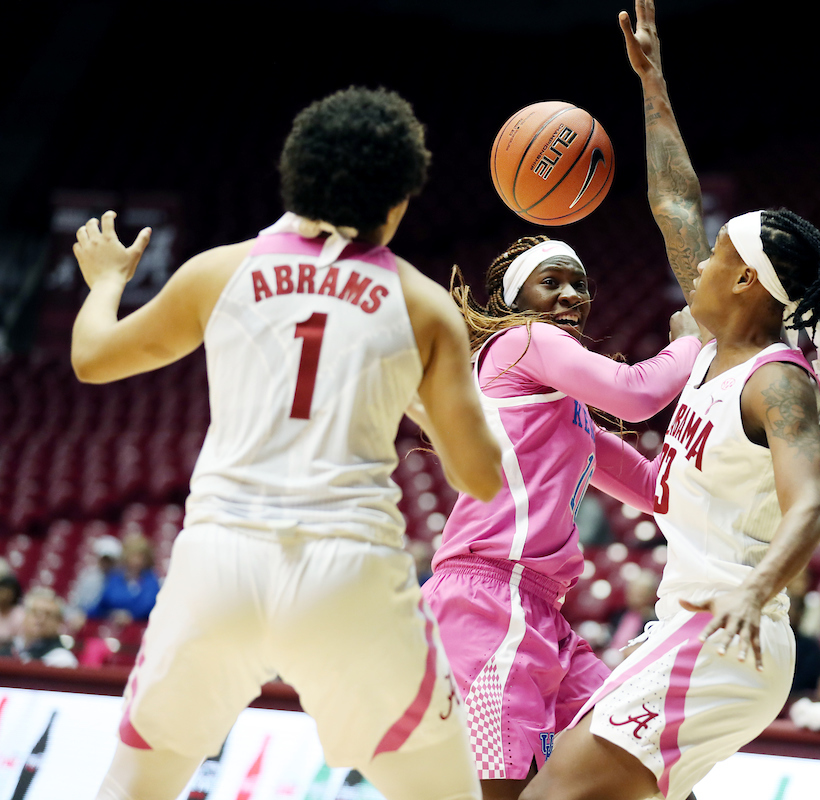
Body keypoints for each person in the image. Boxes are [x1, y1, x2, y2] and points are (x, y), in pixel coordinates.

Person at [71, 87, 503, 800]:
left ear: (293, 175)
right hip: (349, 574)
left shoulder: (218, 270)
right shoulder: (423, 304)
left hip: (219, 562)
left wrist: (108, 281)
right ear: (399, 199)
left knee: (129, 791)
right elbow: (481, 477)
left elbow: (93, 359)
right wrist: (422, 395)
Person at [520, 5, 820, 799]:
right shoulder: (714, 343)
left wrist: (757, 586)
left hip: (727, 631)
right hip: (681, 624)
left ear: (746, 281)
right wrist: (654, 84)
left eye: (717, 257)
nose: (697, 262)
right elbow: (676, 205)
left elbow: (809, 507)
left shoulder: (779, 381)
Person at [420, 231, 702, 797]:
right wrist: (692, 342)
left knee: (641, 761)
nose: (572, 294)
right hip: (486, 605)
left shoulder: (566, 413)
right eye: (552, 282)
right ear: (512, 299)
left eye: (580, 284)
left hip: (542, 612)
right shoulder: (522, 339)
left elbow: (656, 490)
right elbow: (636, 394)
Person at [87, 533, 161, 623]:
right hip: (113, 624)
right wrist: (85, 614)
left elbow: (149, 605)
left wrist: (130, 615)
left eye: (140, 556)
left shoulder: (151, 580)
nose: (136, 560)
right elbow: (103, 603)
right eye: (133, 555)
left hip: (140, 627)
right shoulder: (115, 577)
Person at [1, 587, 79, 668]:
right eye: (35, 612)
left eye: (48, 615)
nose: (41, 619)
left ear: (59, 622)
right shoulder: (10, 647)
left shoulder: (62, 660)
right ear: (25, 615)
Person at [68, 534, 122, 616]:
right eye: (104, 559)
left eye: (109, 560)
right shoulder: (88, 577)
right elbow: (78, 603)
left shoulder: (120, 578)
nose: (106, 563)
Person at [0, 574, 24, 651]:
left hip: (10, 653)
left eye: (8, 593)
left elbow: (20, 641)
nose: (4, 596)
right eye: (2, 592)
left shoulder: (20, 614)